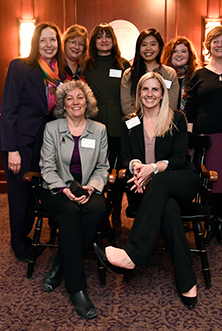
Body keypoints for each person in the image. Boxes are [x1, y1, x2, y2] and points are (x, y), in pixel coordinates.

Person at [95, 72, 199, 309]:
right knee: (169, 210)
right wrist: (135, 167)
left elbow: (180, 159)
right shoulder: (129, 121)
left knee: (161, 180)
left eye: (155, 89)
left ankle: (133, 253)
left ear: (163, 94)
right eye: (145, 89)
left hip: (179, 179)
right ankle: (187, 281)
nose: (150, 94)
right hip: (142, 186)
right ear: (138, 93)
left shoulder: (176, 119)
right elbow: (125, 157)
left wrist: (151, 169)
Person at [40, 80, 109, 319]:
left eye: (80, 97)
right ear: (63, 104)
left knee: (98, 209)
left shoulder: (99, 129)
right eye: (70, 98)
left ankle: (61, 262)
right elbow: (47, 167)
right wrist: (62, 188)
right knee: (70, 212)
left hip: (86, 189)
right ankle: (77, 288)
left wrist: (92, 188)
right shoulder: (52, 128)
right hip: (57, 189)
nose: (76, 102)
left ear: (87, 102)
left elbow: (102, 167)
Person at [0, 22, 64, 262]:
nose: (49, 45)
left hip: (43, 143)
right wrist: (11, 150)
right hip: (21, 142)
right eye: (44, 40)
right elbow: (8, 110)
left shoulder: (58, 73)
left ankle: (25, 237)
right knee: (19, 195)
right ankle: (18, 243)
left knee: (34, 194)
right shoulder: (20, 67)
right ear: (35, 43)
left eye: (53, 40)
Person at [185, 25, 222, 246]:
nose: (219, 45)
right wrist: (189, 138)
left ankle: (219, 222)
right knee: (206, 183)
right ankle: (207, 222)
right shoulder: (199, 75)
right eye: (215, 41)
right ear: (208, 46)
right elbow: (190, 107)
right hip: (203, 139)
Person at [84, 23, 131, 235]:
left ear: (114, 41)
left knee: (119, 173)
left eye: (108, 36)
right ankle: (99, 211)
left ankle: (116, 211)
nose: (104, 40)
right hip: (95, 124)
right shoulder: (87, 65)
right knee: (96, 170)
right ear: (93, 42)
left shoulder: (122, 64)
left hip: (120, 125)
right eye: (99, 36)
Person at [120, 28, 179, 115]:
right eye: (144, 45)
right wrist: (144, 122)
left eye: (152, 44)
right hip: (137, 123)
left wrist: (157, 120)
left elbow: (171, 104)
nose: (148, 48)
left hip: (163, 123)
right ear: (138, 48)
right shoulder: (129, 74)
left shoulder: (170, 74)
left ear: (159, 47)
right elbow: (127, 106)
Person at [162, 36, 201, 112]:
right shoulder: (161, 75)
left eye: (183, 51)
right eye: (175, 51)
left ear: (190, 54)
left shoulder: (197, 77)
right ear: (169, 54)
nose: (179, 55)